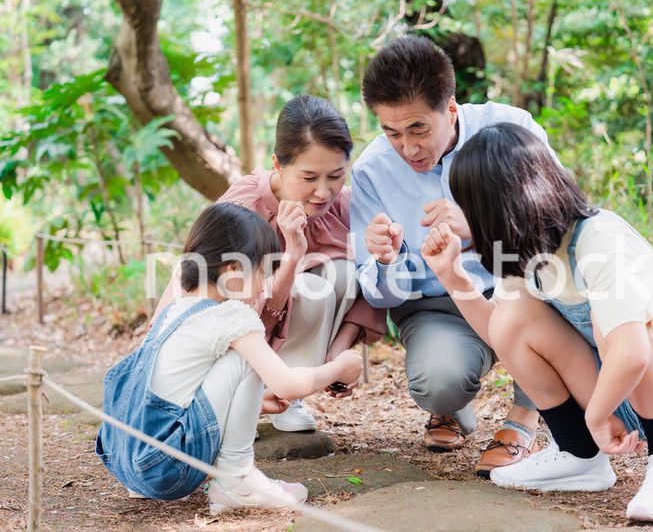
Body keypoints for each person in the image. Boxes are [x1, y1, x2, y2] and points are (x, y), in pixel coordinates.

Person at [420, 123, 653, 523]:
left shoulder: (597, 237)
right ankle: (579, 455)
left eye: (471, 206)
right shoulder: (525, 252)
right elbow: (503, 336)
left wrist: (598, 415)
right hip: (616, 383)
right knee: (511, 318)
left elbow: (634, 350)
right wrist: (452, 276)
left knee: (619, 322)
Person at [350, 35, 560, 476]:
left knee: (552, 275)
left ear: (449, 109)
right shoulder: (371, 170)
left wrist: (481, 225)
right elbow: (382, 295)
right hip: (437, 306)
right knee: (438, 382)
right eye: (392, 133)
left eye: (418, 129)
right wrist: (386, 260)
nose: (407, 149)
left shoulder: (511, 129)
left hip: (520, 290)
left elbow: (559, 223)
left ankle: (525, 416)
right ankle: (452, 405)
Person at [97, 203, 364, 513]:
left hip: (128, 460)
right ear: (233, 271)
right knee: (248, 355)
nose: (264, 285)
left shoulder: (177, 309)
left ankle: (225, 481)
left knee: (241, 354)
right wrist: (338, 367)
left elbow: (186, 389)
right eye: (263, 273)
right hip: (166, 468)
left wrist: (257, 401)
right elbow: (290, 385)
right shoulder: (232, 316)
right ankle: (237, 481)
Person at [155, 94, 385, 432]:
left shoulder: (343, 206)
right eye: (309, 178)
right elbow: (228, 312)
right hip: (226, 342)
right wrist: (292, 257)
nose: (323, 192)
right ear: (278, 164)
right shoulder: (245, 209)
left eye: (335, 176)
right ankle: (263, 391)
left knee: (342, 272)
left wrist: (342, 347)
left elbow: (372, 280)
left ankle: (289, 397)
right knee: (312, 288)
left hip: (283, 340)